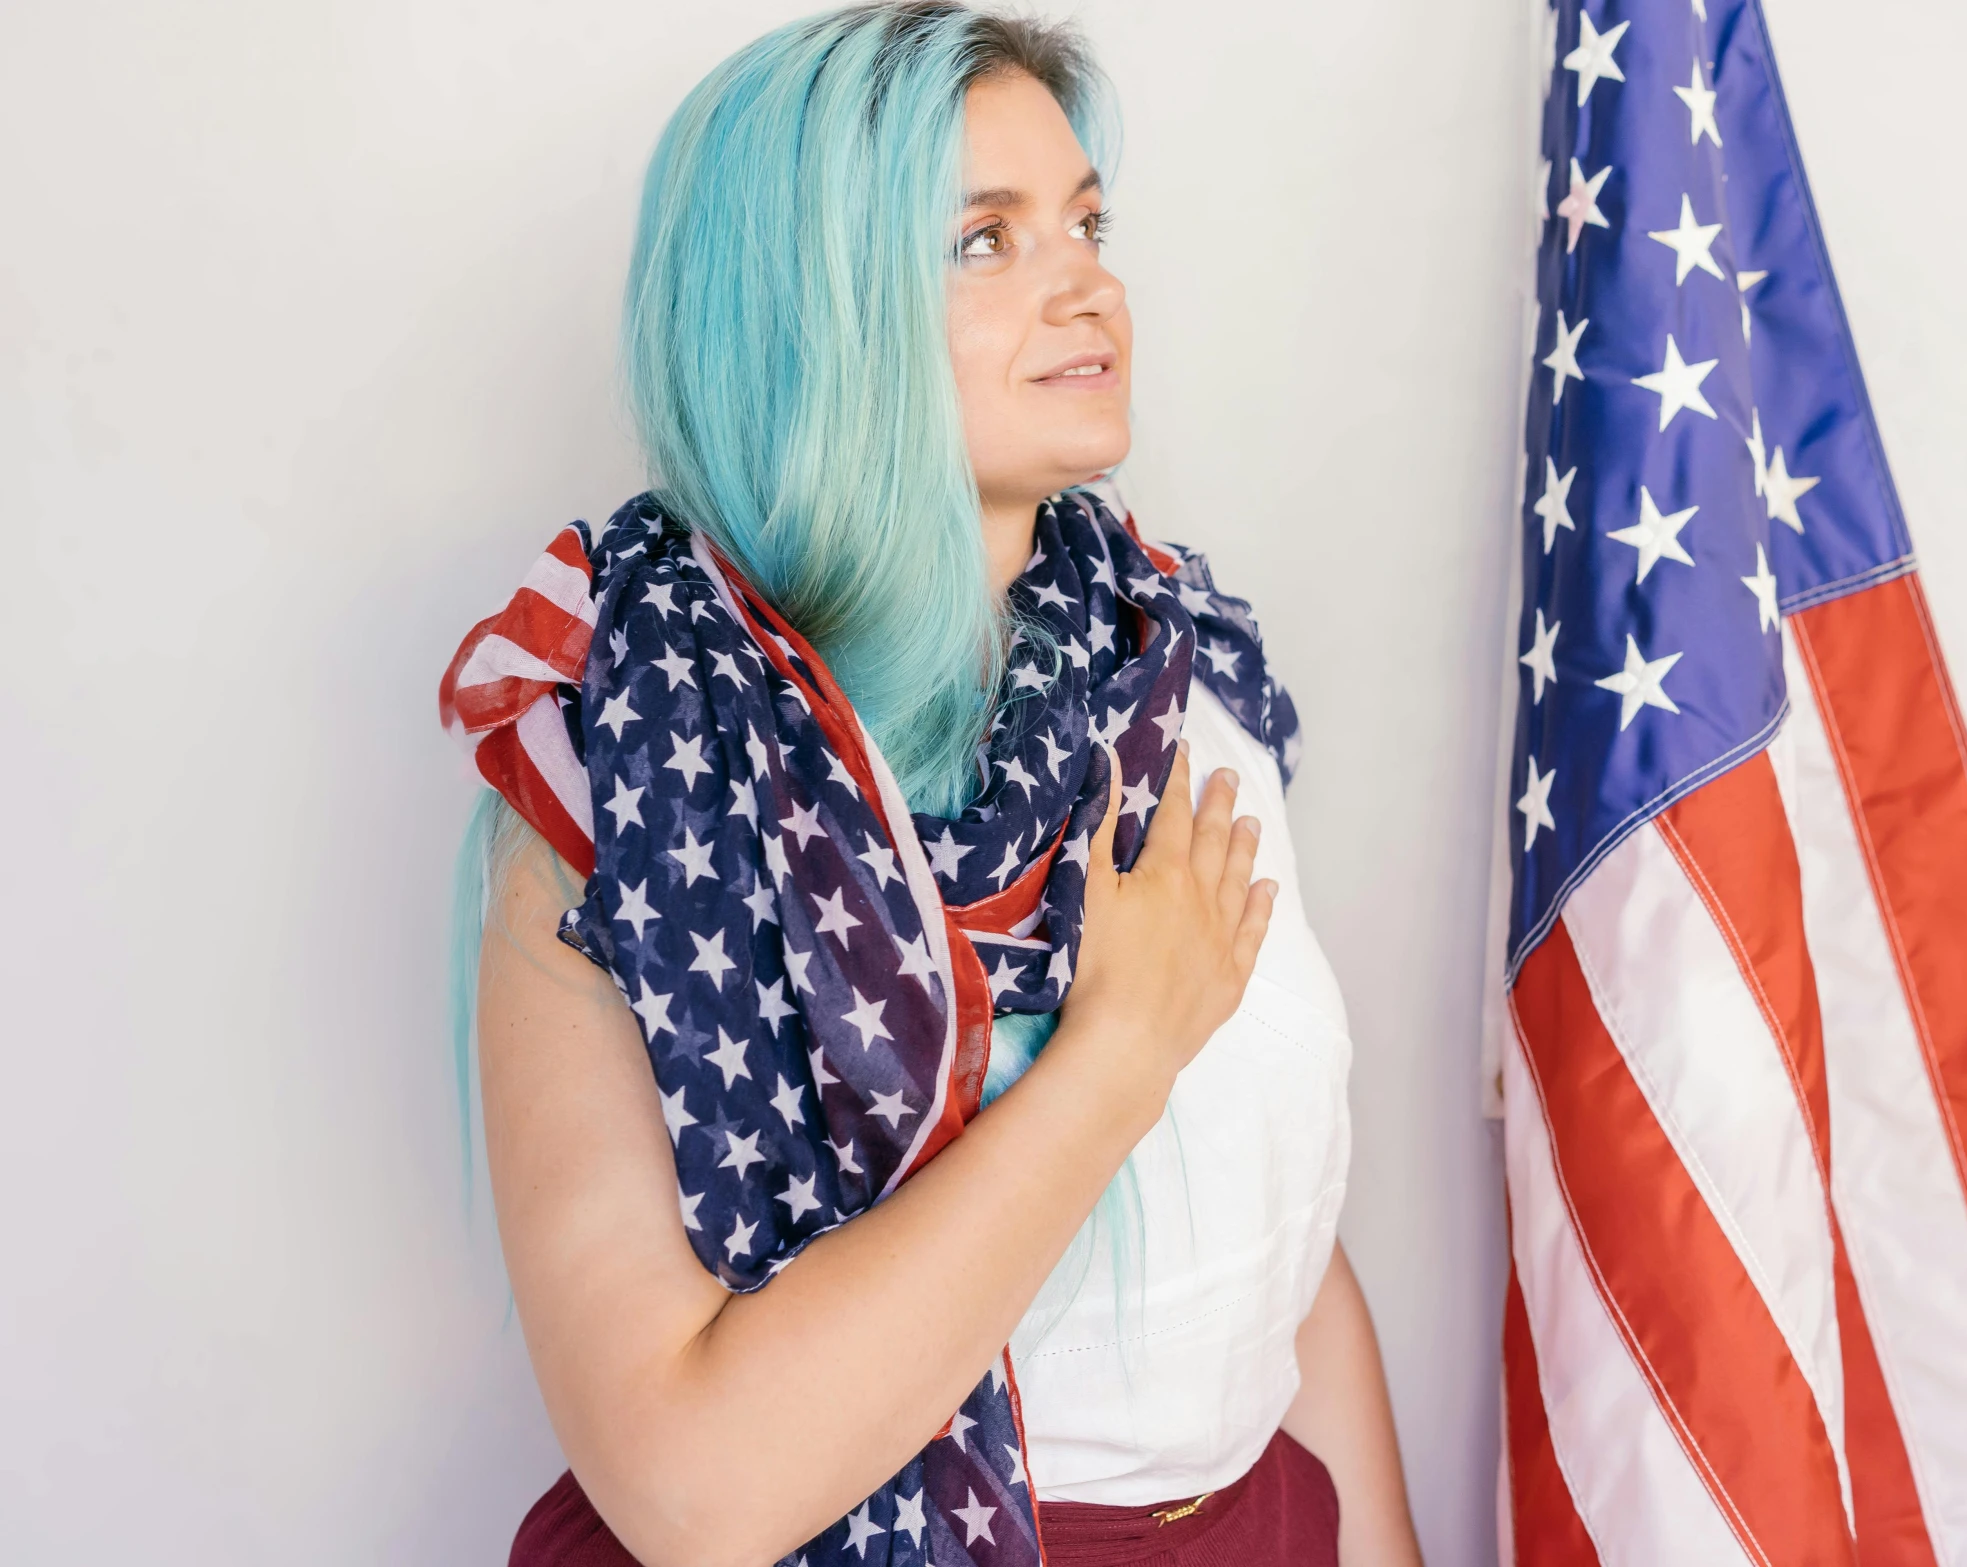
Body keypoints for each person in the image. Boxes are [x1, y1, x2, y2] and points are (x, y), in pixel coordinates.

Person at [442, 6, 1421, 1564]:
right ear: (813, 314)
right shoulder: (617, 781)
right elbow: (697, 1488)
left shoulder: (1173, 682)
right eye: (984, 241)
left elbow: (1286, 1239)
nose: (1087, 280)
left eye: (1085, 221)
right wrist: (1119, 1049)